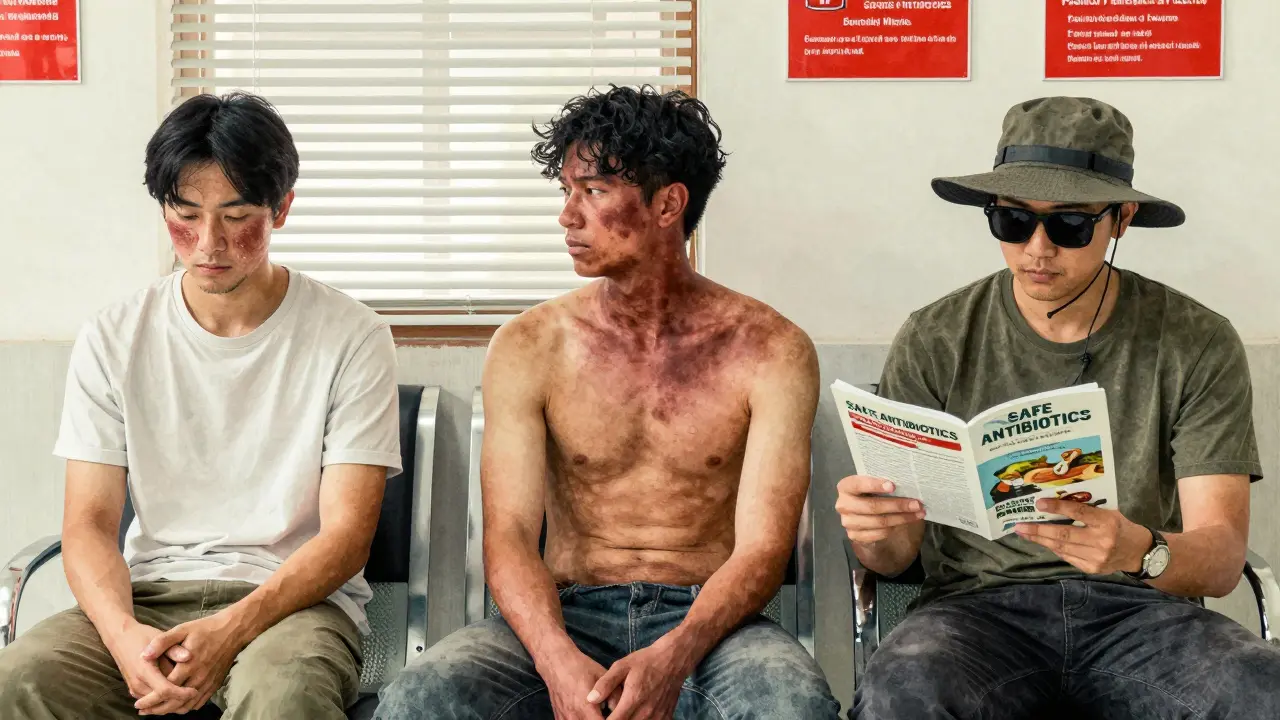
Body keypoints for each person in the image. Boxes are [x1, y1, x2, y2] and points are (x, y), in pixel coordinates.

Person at [376, 85, 841, 719]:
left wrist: (674, 657)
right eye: (566, 192)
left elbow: (762, 550)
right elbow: (509, 535)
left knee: (794, 705)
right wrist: (556, 659)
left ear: (667, 204)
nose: (568, 216)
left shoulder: (771, 350)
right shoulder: (529, 344)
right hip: (564, 612)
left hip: (714, 624)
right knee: (420, 697)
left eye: (592, 192)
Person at [839, 96, 1280, 719]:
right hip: (975, 615)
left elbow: (1220, 559)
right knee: (902, 691)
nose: (1038, 248)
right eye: (1013, 222)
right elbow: (897, 557)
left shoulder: (1194, 340)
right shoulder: (936, 335)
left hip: (1143, 615)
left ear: (1121, 219)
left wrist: (1140, 551)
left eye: (1070, 225)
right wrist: (873, 534)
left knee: (1262, 689)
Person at [0, 91, 402, 718]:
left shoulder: (352, 336)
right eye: (184, 213)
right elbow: (87, 524)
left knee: (284, 698)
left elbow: (347, 538)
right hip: (150, 597)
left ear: (283, 208)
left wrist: (230, 631)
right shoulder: (114, 336)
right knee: (19, 680)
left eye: (237, 216)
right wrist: (124, 638)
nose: (208, 242)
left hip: (290, 606)